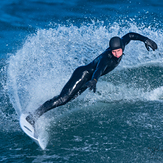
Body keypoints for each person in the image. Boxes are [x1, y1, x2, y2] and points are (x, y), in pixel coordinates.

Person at [26, 32, 157, 126]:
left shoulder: (122, 43)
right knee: (63, 98)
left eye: (118, 51)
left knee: (67, 100)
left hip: (88, 80)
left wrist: (145, 40)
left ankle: (41, 107)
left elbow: (130, 35)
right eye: (114, 51)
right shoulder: (107, 57)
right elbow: (99, 69)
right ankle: (33, 116)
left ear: (122, 47)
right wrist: (94, 80)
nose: (116, 54)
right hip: (83, 75)